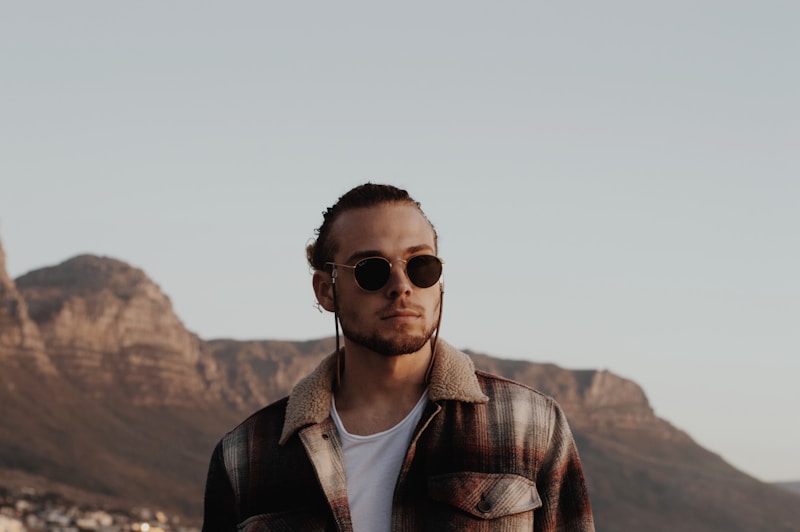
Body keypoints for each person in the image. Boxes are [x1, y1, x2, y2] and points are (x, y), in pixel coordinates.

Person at [202, 183, 595, 531]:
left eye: (420, 265)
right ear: (325, 290)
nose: (401, 285)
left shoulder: (530, 424)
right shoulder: (244, 455)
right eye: (371, 270)